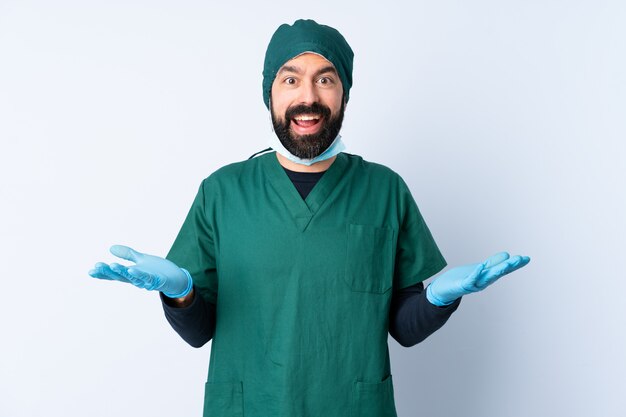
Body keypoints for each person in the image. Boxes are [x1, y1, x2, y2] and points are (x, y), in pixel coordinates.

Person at [89, 19, 530, 417]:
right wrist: (180, 293)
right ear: (270, 93)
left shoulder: (384, 190)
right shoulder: (222, 192)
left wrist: (440, 299)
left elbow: (403, 328)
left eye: (325, 79)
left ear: (344, 93)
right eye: (290, 79)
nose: (308, 97)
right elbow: (199, 331)